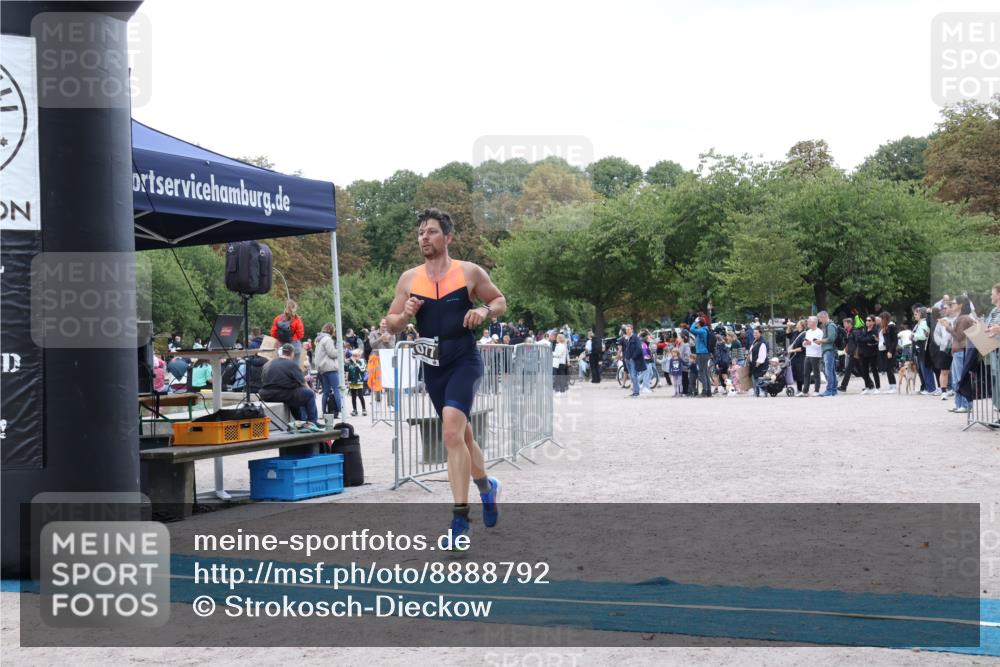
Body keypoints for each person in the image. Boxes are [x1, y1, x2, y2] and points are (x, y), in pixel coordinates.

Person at [385, 208, 506, 542]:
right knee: (462, 436)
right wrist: (404, 314)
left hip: (463, 359)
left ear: (448, 237)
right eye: (421, 232)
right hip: (432, 366)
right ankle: (486, 486)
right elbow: (390, 323)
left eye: (432, 232)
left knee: (451, 433)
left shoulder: (469, 272)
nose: (424, 237)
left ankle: (459, 521)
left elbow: (499, 300)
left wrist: (482, 310)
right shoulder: (409, 279)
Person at [259, 343, 319, 426]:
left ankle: (301, 421)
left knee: (294, 396)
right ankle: (312, 422)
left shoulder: (267, 364)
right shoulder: (292, 364)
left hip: (266, 394)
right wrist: (311, 390)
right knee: (309, 394)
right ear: (291, 353)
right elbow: (302, 384)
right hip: (282, 393)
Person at [938, 295, 975, 414]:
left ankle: (964, 404)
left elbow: (959, 336)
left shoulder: (963, 319)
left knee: (960, 379)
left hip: (960, 351)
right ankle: (959, 404)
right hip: (958, 351)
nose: (951, 305)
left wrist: (947, 327)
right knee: (956, 380)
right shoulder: (962, 318)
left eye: (954, 303)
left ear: (960, 305)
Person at [314, 323, 343, 419]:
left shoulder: (319, 339)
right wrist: (340, 350)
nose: (335, 331)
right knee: (337, 389)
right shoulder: (328, 339)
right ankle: (342, 411)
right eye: (334, 329)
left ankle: (324, 412)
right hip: (330, 368)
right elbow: (332, 354)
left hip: (322, 369)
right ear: (331, 330)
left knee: (326, 391)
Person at [912, 307, 936, 394]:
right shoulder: (920, 323)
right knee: (923, 369)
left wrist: (914, 336)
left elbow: (924, 336)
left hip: (923, 347)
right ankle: (928, 387)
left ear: (921, 314)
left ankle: (931, 388)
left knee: (926, 368)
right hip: (920, 348)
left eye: (916, 314)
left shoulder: (924, 323)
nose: (915, 316)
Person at [817, 310, 839, 397]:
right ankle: (833, 390)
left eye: (820, 318)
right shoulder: (828, 325)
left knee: (828, 371)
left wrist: (820, 341)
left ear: (824, 317)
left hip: (829, 350)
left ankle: (829, 390)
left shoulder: (830, 325)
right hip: (828, 350)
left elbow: (831, 339)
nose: (820, 321)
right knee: (832, 371)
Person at [856, 315, 881, 394]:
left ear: (873, 322)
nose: (867, 322)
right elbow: (859, 339)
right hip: (863, 353)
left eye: (869, 320)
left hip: (873, 353)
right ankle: (867, 387)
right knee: (864, 371)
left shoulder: (875, 330)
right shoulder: (863, 330)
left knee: (874, 370)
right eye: (866, 320)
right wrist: (867, 340)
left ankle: (877, 387)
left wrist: (867, 339)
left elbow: (872, 339)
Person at [689, 317, 712, 397]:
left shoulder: (702, 331)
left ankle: (704, 391)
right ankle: (708, 391)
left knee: (702, 373)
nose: (696, 324)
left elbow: (691, 329)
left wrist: (694, 321)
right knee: (705, 373)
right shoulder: (704, 330)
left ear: (699, 323)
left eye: (697, 323)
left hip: (702, 354)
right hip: (704, 353)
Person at [877, 312, 899, 394]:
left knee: (889, 368)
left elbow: (894, 341)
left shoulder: (891, 326)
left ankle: (893, 386)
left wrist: (890, 351)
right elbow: (886, 340)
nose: (880, 320)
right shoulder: (884, 327)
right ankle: (891, 386)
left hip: (889, 351)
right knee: (887, 368)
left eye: (881, 319)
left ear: (885, 319)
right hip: (884, 350)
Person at [802, 316, 823, 396]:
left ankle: (816, 390)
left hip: (816, 355)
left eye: (809, 321)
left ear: (814, 323)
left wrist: (811, 343)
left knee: (816, 374)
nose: (807, 323)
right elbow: (804, 343)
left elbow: (820, 344)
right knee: (806, 373)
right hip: (808, 354)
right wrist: (805, 343)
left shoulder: (819, 332)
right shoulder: (808, 332)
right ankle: (805, 391)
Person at [345, 349, 367, 417]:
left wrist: (355, 363)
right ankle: (355, 410)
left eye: (355, 356)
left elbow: (362, 369)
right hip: (352, 381)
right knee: (353, 397)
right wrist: (347, 381)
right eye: (353, 355)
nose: (354, 357)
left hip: (359, 380)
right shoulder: (350, 362)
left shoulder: (362, 361)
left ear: (359, 356)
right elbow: (347, 371)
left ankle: (364, 409)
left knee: (360, 396)